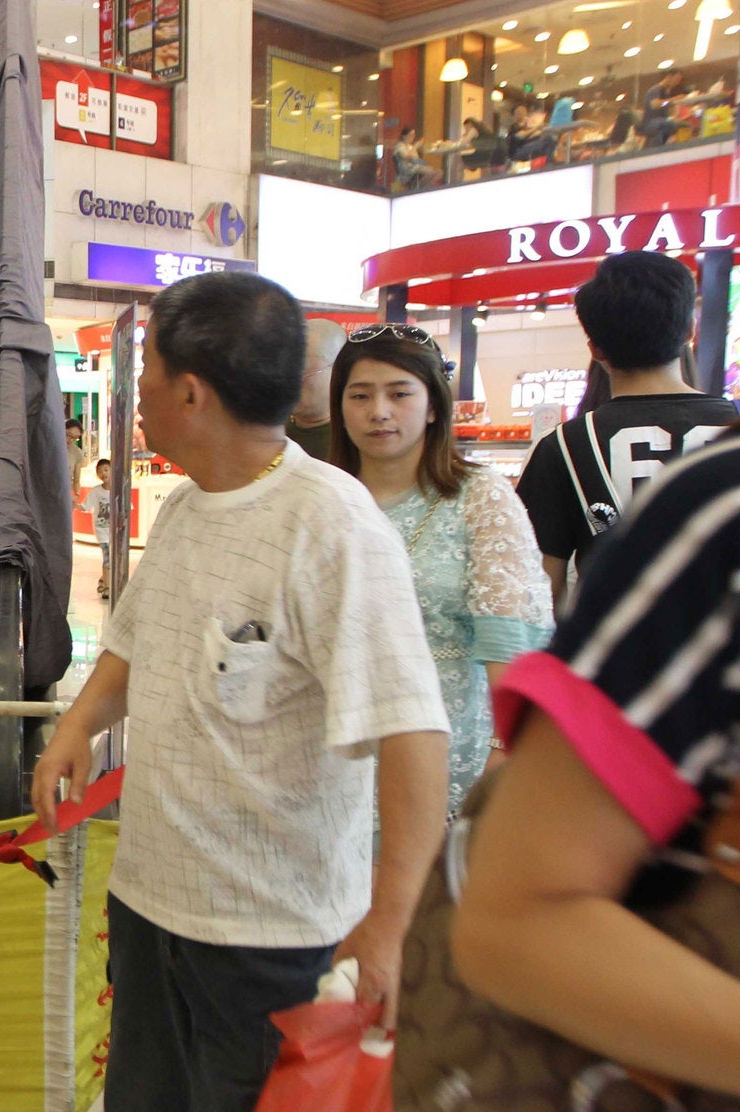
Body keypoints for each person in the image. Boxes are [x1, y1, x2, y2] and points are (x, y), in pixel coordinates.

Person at [30, 273, 450, 1112]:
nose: (138, 403)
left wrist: (390, 925)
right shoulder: (187, 506)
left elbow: (413, 736)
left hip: (263, 933)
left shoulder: (330, 526)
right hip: (153, 898)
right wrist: (76, 724)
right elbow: (130, 640)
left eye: (149, 379)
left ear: (192, 393)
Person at [454, 434, 740, 1112]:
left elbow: (518, 602)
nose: (377, 412)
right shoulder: (714, 518)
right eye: (359, 392)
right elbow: (519, 917)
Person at [330, 325, 553, 808]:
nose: (379, 412)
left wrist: (505, 752)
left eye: (399, 393)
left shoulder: (479, 497)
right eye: (360, 395)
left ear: (434, 406)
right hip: (333, 759)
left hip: (454, 759)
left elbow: (511, 638)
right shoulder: (323, 500)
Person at [516, 251, 736, 609]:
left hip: (609, 655)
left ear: (595, 349)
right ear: (691, 330)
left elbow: (539, 588)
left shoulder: (565, 446)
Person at [286, 316, 346, 462]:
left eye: (301, 371)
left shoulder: (353, 440)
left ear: (338, 370)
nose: (289, 380)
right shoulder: (270, 432)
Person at [86, 457, 114, 598]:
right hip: (102, 531)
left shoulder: (117, 491)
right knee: (107, 557)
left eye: (106, 470)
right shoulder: (96, 491)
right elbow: (85, 505)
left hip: (114, 532)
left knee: (111, 557)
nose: (103, 474)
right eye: (100, 471)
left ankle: (104, 580)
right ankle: (108, 587)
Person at [391, 125, 430, 192]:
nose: (412, 137)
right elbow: (407, 157)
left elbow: (415, 159)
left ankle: (421, 188)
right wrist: (415, 146)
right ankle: (419, 189)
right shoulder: (400, 146)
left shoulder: (410, 146)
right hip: (405, 171)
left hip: (414, 167)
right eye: (411, 135)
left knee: (435, 172)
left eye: (414, 135)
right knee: (430, 172)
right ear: (404, 136)